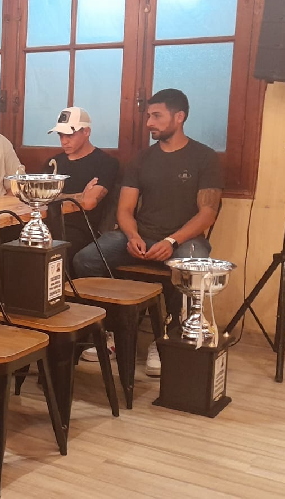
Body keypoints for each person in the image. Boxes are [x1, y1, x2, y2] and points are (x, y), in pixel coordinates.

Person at [73, 89, 223, 376]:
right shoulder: (142, 159)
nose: (149, 123)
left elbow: (208, 212)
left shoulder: (204, 157)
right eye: (148, 116)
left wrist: (172, 241)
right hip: (140, 236)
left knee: (191, 264)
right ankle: (108, 330)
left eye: (156, 116)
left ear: (179, 117)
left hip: (184, 240)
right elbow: (125, 209)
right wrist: (132, 236)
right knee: (85, 259)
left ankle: (168, 336)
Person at [46, 107, 119, 266]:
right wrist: (78, 196)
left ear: (86, 132)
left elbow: (89, 202)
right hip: (48, 224)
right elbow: (39, 198)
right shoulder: (54, 162)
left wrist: (54, 198)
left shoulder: (105, 163)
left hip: (83, 230)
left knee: (56, 249)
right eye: (60, 135)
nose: (64, 141)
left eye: (69, 135)